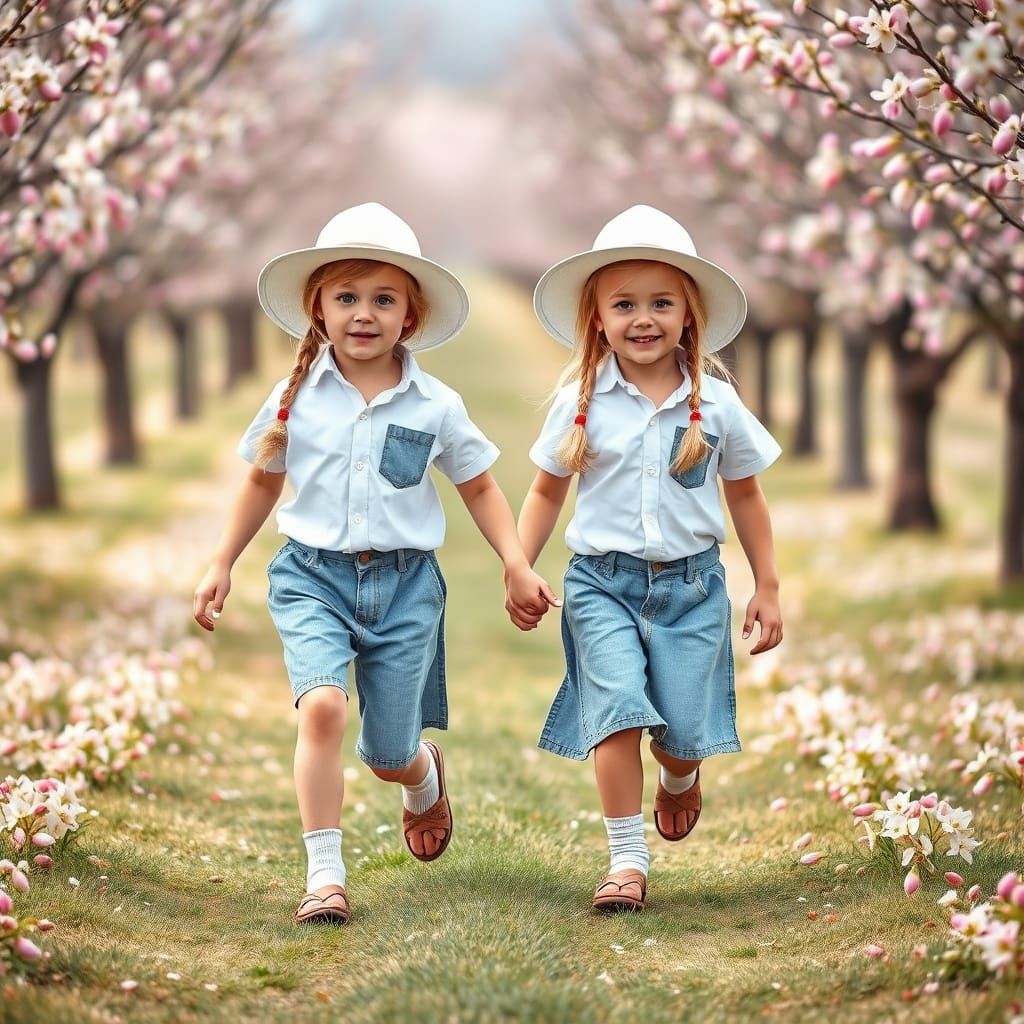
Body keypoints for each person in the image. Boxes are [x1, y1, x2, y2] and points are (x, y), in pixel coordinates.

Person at [193, 203, 555, 925]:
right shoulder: (293, 399)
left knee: (387, 751)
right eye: (347, 298)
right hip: (311, 577)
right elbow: (263, 479)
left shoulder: (436, 404)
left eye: (383, 299)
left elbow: (478, 484)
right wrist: (222, 560)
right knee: (322, 708)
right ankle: (324, 874)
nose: (364, 314)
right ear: (318, 310)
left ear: (410, 317)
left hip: (404, 589)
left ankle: (419, 777)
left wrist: (516, 561)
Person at [512, 205, 783, 912]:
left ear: (689, 315)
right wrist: (521, 564)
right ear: (596, 317)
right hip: (602, 584)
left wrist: (768, 585)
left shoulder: (716, 404)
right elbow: (546, 489)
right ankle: (626, 861)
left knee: (683, 738)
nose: (643, 319)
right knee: (618, 712)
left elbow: (747, 497)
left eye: (661, 303)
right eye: (623, 304)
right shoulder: (579, 402)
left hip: (693, 588)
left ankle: (680, 777)